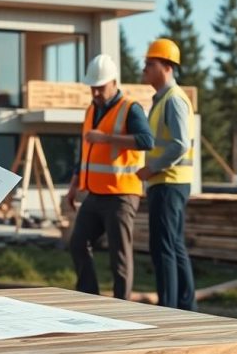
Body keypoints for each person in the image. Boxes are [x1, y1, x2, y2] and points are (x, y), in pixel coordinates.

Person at [65, 54, 153, 301]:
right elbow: (84, 154)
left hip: (122, 195)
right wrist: (73, 187)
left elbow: (147, 141)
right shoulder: (91, 110)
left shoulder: (131, 108)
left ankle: (122, 307)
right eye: (92, 87)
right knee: (78, 243)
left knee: (120, 257)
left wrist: (106, 138)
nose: (95, 93)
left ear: (114, 82)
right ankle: (89, 299)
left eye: (100, 87)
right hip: (94, 194)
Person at [135, 38, 197, 311]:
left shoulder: (173, 100)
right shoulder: (162, 100)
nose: (145, 68)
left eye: (151, 63)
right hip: (169, 183)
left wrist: (152, 167)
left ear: (167, 67)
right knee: (174, 245)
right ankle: (186, 306)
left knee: (164, 249)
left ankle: (170, 308)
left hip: (168, 183)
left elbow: (180, 144)